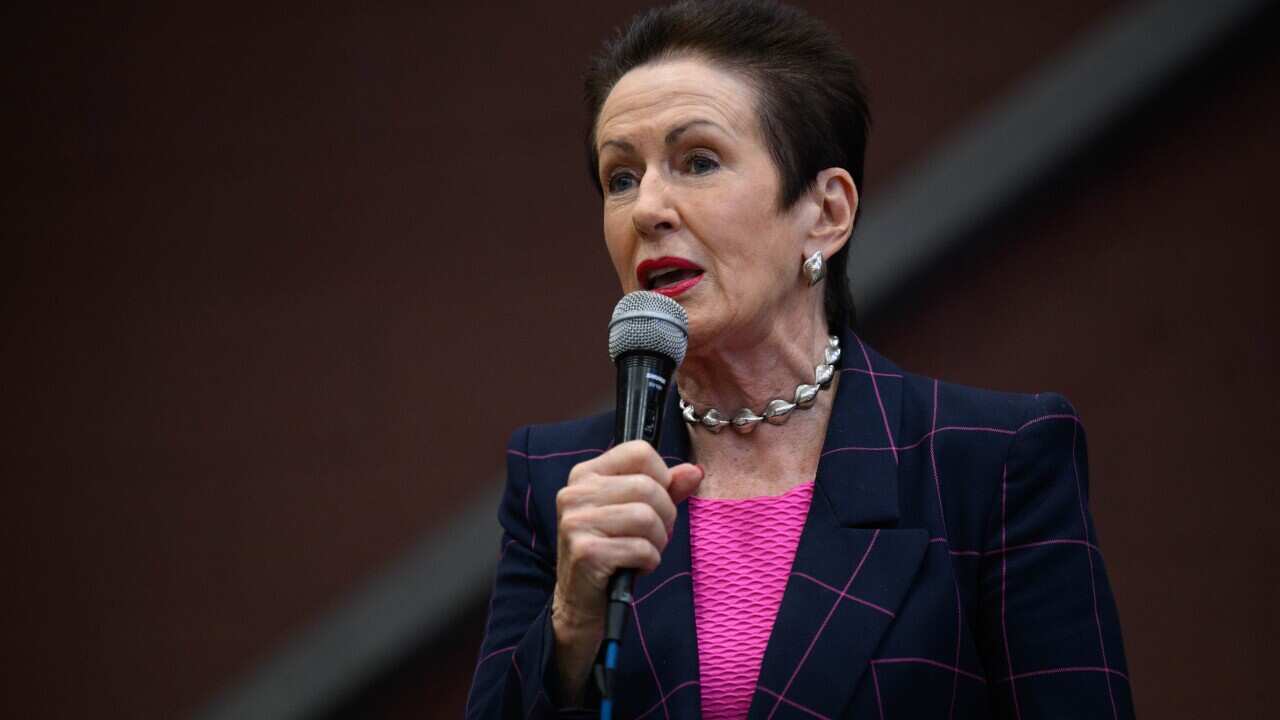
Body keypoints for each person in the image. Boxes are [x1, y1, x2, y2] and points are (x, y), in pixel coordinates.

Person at [466, 1, 1132, 717]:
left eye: (697, 161)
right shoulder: (559, 481)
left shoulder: (988, 464)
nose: (646, 208)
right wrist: (570, 625)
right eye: (620, 176)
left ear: (827, 213)